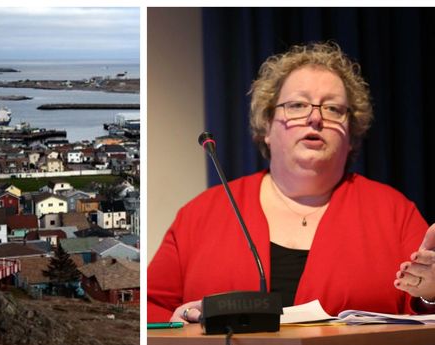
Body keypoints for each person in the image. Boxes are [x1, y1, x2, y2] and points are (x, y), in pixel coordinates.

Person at [147, 41, 435, 323]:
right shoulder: (201, 215)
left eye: (333, 109)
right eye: (297, 105)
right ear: (267, 127)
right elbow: (149, 309)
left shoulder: (394, 214)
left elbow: (424, 311)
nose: (315, 118)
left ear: (351, 134)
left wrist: (430, 294)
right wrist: (176, 324)